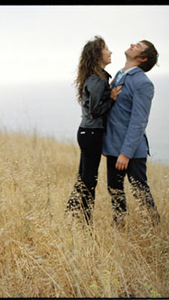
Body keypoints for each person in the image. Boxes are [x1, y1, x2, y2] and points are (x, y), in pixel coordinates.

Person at [102, 40, 160, 227]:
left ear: (142, 58)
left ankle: (155, 230)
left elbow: (139, 121)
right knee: (115, 192)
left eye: (138, 46)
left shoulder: (143, 83)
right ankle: (119, 231)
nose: (132, 44)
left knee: (140, 192)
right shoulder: (119, 74)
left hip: (131, 152)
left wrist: (126, 153)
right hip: (112, 147)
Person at [66, 36, 122, 225]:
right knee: (89, 180)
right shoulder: (97, 79)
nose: (110, 52)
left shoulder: (96, 77)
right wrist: (112, 98)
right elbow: (95, 110)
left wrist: (109, 91)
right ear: (98, 54)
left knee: (84, 178)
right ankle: (85, 223)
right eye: (107, 49)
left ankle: (72, 215)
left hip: (86, 132)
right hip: (91, 134)